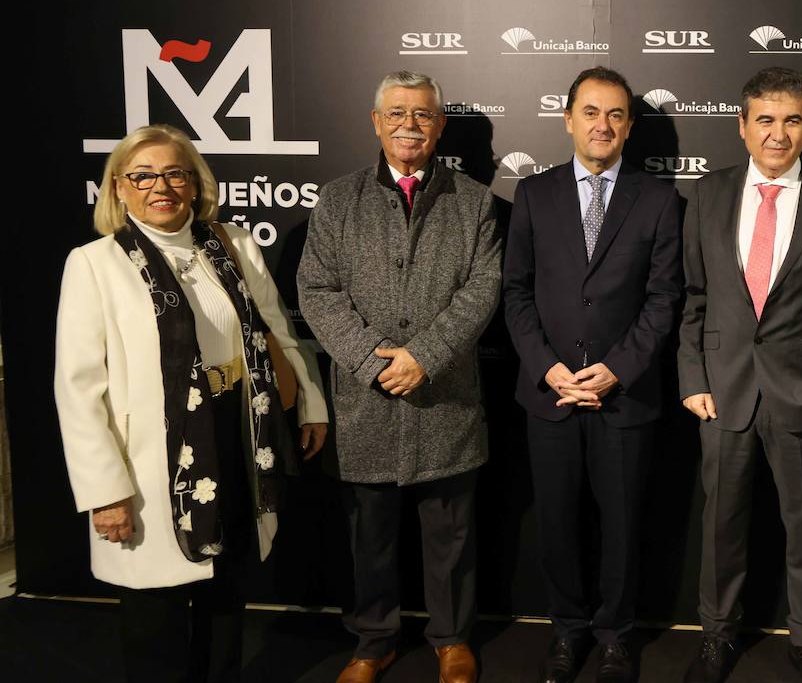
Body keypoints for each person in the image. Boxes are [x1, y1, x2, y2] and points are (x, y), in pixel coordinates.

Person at [54, 123, 329, 682]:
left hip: (236, 437)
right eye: (144, 175)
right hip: (153, 459)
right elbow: (79, 390)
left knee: (226, 595)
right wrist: (105, 491)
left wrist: (312, 403)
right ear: (118, 188)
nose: (162, 186)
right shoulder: (95, 264)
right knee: (153, 614)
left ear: (194, 182)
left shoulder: (233, 244)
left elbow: (277, 330)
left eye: (175, 173)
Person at [297, 70, 502, 683]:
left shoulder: (477, 202)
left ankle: (451, 639)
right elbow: (316, 290)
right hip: (366, 402)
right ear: (376, 121)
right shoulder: (338, 199)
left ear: (439, 125)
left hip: (447, 400)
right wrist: (372, 360)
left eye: (422, 115)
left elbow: (483, 288)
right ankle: (373, 640)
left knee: (451, 538)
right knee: (371, 538)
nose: (409, 125)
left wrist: (425, 356)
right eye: (397, 113)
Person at [677, 66, 802, 683]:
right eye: (765, 119)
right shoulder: (708, 194)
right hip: (724, 391)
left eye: (792, 120)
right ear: (742, 127)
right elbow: (694, 295)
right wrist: (692, 377)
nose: (778, 133)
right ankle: (716, 637)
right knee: (720, 530)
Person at [503, 66, 683, 683]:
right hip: (549, 393)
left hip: (624, 396)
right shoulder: (534, 194)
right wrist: (550, 369)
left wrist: (617, 369)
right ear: (568, 118)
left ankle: (615, 636)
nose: (602, 125)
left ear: (629, 124)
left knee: (623, 527)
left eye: (615, 114)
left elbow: (665, 299)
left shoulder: (659, 199)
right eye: (590, 112)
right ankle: (567, 631)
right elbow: (516, 294)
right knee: (555, 522)